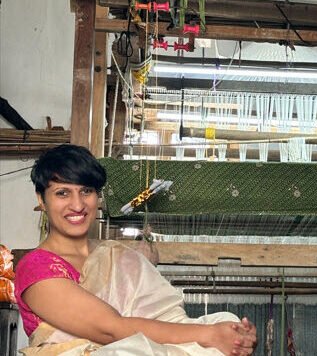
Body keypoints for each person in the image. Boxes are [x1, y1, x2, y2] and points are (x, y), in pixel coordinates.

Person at [14, 144, 258, 356]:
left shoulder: (116, 255)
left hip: (138, 344)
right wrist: (209, 335)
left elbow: (167, 319)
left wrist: (233, 336)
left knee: (227, 321)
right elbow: (111, 330)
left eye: (86, 191)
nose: (77, 205)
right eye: (62, 193)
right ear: (41, 199)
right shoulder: (36, 268)